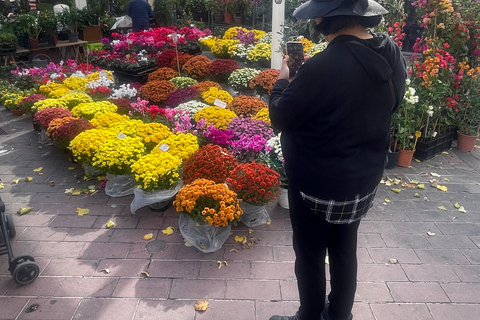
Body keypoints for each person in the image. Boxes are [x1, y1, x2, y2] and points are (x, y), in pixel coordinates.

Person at [268, 0, 407, 320]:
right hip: (364, 181)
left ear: (324, 18)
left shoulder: (321, 66)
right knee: (345, 249)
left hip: (316, 186)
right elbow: (392, 102)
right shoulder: (391, 52)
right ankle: (340, 314)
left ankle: (310, 315)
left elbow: (281, 116)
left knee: (310, 254)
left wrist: (283, 80)